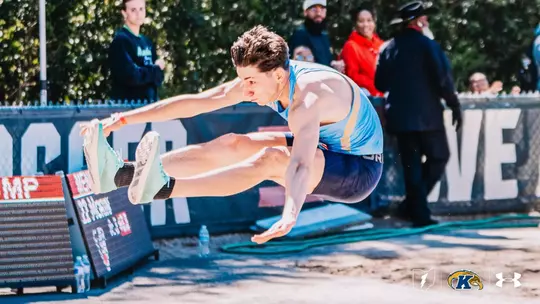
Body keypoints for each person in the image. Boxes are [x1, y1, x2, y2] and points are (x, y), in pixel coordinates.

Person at [81, 25, 383, 244]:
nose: (246, 91)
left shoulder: (307, 99)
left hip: (360, 168)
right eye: (243, 81)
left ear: (277, 75)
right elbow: (196, 102)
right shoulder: (269, 76)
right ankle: (121, 174)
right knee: (234, 143)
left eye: (251, 82)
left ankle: (162, 187)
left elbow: (301, 164)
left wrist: (291, 213)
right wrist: (122, 119)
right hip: (332, 146)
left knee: (271, 159)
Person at [375, 1, 462, 227]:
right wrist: (454, 105)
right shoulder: (428, 46)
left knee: (411, 167)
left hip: (401, 118)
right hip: (428, 117)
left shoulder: (388, 48)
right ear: (419, 21)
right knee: (439, 157)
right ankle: (416, 211)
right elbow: (443, 80)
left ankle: (412, 209)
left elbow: (380, 83)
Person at [108, 0, 165, 103]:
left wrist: (154, 71)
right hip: (127, 107)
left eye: (141, 9)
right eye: (133, 10)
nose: (138, 14)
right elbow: (131, 76)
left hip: (149, 106)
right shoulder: (121, 41)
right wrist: (155, 69)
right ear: (124, 13)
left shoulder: (147, 41)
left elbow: (158, 78)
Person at [341, 6, 384, 97]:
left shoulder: (381, 45)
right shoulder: (351, 46)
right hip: (368, 96)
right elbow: (353, 76)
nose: (365, 25)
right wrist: (376, 85)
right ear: (356, 24)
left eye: (369, 20)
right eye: (361, 21)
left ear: (374, 22)